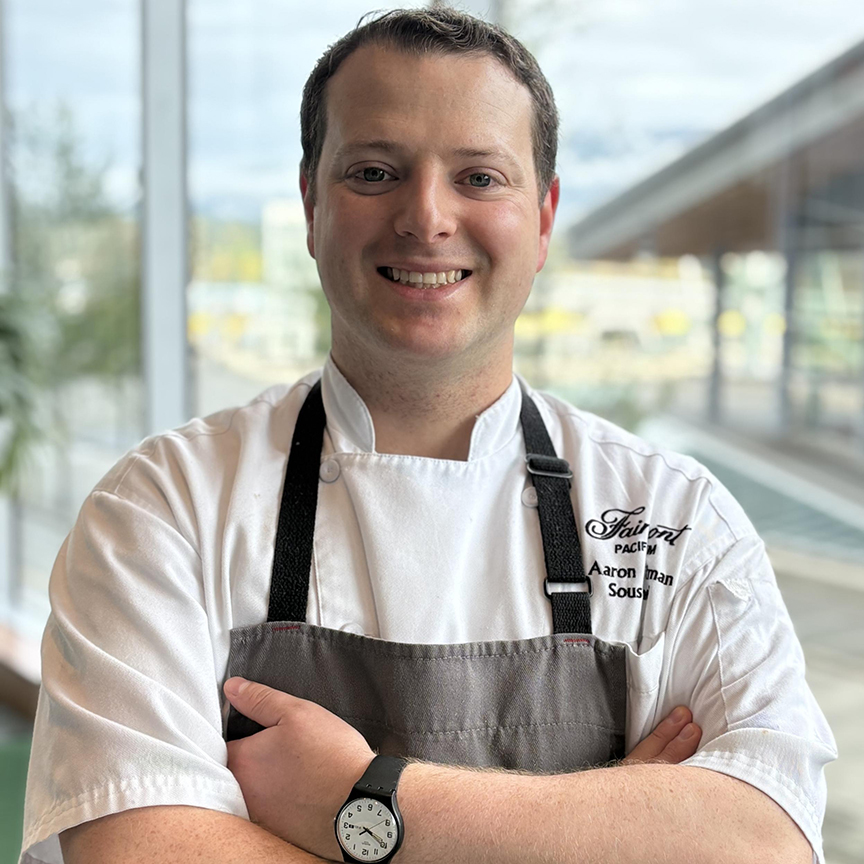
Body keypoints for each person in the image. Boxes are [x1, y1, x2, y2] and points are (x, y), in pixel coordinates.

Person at [20, 7, 836, 864]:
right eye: (374, 171)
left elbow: (764, 841)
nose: (426, 217)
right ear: (309, 205)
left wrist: (359, 800)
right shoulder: (160, 510)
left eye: (480, 178)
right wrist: (606, 826)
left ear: (546, 216)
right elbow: (137, 852)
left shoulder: (676, 516)